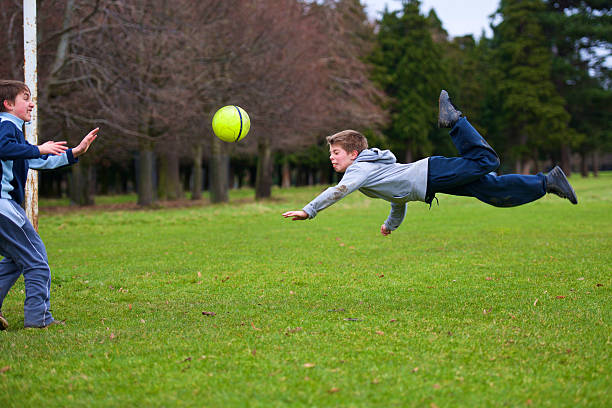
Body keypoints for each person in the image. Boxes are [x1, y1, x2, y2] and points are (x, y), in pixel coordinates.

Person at [282, 90, 577, 236]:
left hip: (432, 173)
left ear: (353, 155)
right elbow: (399, 198)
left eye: (336, 152)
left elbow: (339, 191)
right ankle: (549, 182)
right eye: (331, 153)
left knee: (487, 160)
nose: (332, 157)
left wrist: (310, 211)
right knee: (494, 192)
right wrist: (390, 225)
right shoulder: (371, 174)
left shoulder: (359, 172)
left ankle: (454, 122)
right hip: (431, 180)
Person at [0, 80, 99, 330]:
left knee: (15, 260)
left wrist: (75, 152)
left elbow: (39, 162)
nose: (32, 103)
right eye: (26, 98)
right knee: (36, 261)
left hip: (5, 209)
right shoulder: (5, 126)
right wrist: (37, 148)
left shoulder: (14, 133)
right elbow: (6, 148)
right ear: (8, 104)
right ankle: (39, 318)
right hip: (4, 208)